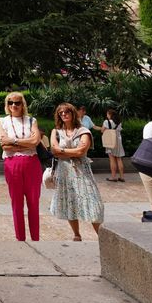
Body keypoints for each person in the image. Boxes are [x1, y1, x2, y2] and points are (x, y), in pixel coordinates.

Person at [49, 103, 104, 240]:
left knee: (92, 202)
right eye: (61, 113)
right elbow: (53, 151)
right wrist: (70, 152)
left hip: (81, 171)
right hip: (64, 172)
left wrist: (62, 152)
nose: (64, 115)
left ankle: (102, 237)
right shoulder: (56, 132)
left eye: (66, 112)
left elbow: (81, 151)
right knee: (70, 202)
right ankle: (76, 234)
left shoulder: (83, 131)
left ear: (73, 113)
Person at [0, 92, 41, 242]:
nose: (14, 106)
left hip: (32, 165)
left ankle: (35, 238)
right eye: (10, 103)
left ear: (23, 104)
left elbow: (35, 141)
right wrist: (24, 143)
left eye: (17, 102)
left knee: (33, 203)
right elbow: (4, 145)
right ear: (7, 105)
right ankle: (20, 239)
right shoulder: (3, 121)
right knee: (16, 204)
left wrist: (14, 142)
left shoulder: (31, 120)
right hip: (12, 165)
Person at [102, 108, 125, 182]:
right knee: (119, 159)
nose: (107, 115)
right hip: (118, 141)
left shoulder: (107, 122)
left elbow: (102, 130)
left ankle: (113, 177)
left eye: (107, 114)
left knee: (112, 159)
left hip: (110, 141)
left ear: (110, 114)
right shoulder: (119, 122)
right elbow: (119, 130)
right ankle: (122, 177)